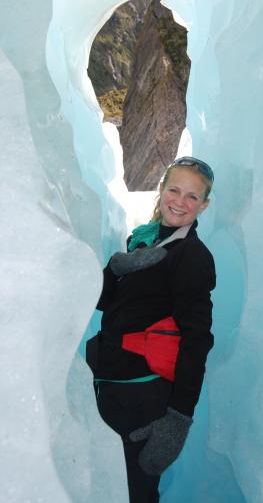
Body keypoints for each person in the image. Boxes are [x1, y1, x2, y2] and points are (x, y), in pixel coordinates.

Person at [86, 156, 216, 503]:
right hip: (109, 384)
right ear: (162, 189)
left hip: (143, 397)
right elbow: (101, 304)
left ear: (204, 205)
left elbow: (197, 340)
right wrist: (115, 269)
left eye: (192, 196)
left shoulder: (192, 256)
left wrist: (178, 418)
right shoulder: (144, 239)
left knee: (135, 493)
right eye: (174, 189)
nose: (180, 201)